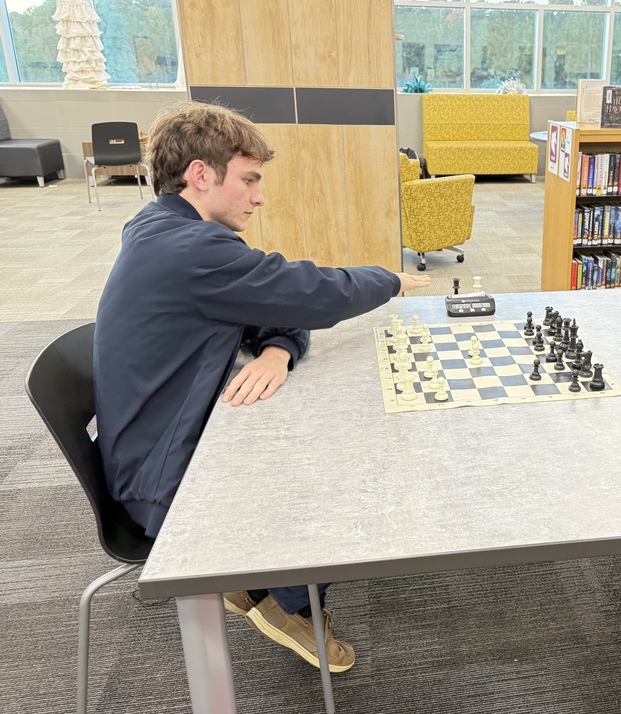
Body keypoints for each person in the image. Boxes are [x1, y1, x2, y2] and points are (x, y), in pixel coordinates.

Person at [94, 101, 430, 673]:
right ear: (202, 174)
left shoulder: (163, 227)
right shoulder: (192, 249)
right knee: (344, 473)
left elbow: (267, 301)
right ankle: (288, 600)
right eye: (249, 180)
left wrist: (279, 347)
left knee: (320, 434)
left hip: (162, 442)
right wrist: (390, 278)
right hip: (164, 485)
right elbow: (308, 292)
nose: (259, 196)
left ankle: (265, 587)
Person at [49, 0, 108, 89]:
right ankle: (77, 80)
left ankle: (92, 81)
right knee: (73, 48)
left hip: (82, 15)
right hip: (68, 17)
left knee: (87, 46)